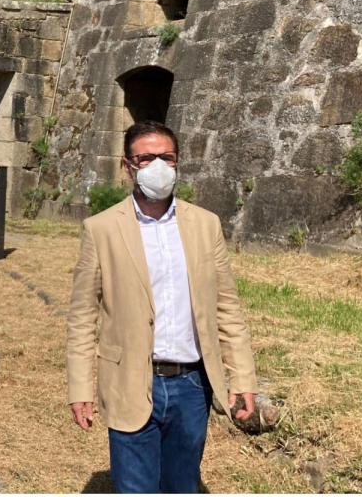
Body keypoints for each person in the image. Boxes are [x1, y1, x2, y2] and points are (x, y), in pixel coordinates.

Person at [66, 121, 258, 493]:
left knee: (182, 486)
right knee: (135, 488)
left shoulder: (206, 225)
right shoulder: (101, 229)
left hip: (191, 386)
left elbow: (227, 309)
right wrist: (80, 387)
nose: (158, 166)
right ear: (128, 166)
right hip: (130, 381)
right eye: (147, 158)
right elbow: (81, 318)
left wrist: (244, 378)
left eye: (166, 157)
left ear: (178, 162)